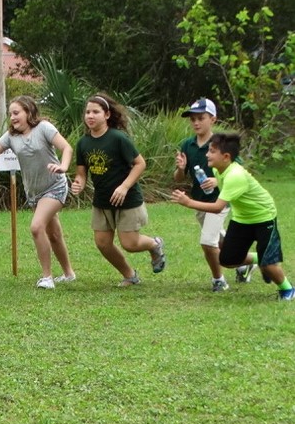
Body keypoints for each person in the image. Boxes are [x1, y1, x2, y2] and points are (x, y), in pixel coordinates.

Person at [172, 133, 293, 300]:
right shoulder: (218, 169)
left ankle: (287, 289)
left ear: (226, 156)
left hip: (264, 217)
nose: (207, 154)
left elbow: (217, 207)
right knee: (227, 259)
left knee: (270, 265)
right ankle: (260, 258)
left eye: (212, 151)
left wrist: (188, 202)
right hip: (242, 218)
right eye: (208, 150)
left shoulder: (235, 175)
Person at [0, 96, 76, 288]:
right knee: (53, 234)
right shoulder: (11, 137)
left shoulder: (44, 128)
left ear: (28, 112)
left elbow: (66, 148)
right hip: (34, 193)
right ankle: (69, 274)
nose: (12, 117)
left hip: (55, 186)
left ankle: (47, 277)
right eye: (10, 114)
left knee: (37, 227)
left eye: (16, 113)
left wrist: (63, 166)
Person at [71, 94, 166, 286]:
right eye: (88, 112)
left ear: (106, 115)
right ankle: (130, 275)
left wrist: (124, 187)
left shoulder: (117, 138)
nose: (90, 116)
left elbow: (140, 164)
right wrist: (78, 183)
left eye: (95, 112)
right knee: (102, 243)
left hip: (127, 199)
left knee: (130, 244)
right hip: (102, 201)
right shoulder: (83, 143)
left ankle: (155, 244)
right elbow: (81, 173)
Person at [174, 98, 253, 292]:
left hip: (220, 200)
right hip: (199, 200)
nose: (196, 123)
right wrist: (181, 168)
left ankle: (219, 280)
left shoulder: (221, 144)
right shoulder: (187, 144)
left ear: (213, 119)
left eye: (201, 118)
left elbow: (239, 170)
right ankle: (246, 262)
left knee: (208, 242)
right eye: (192, 119)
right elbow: (178, 178)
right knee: (217, 239)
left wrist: (218, 181)